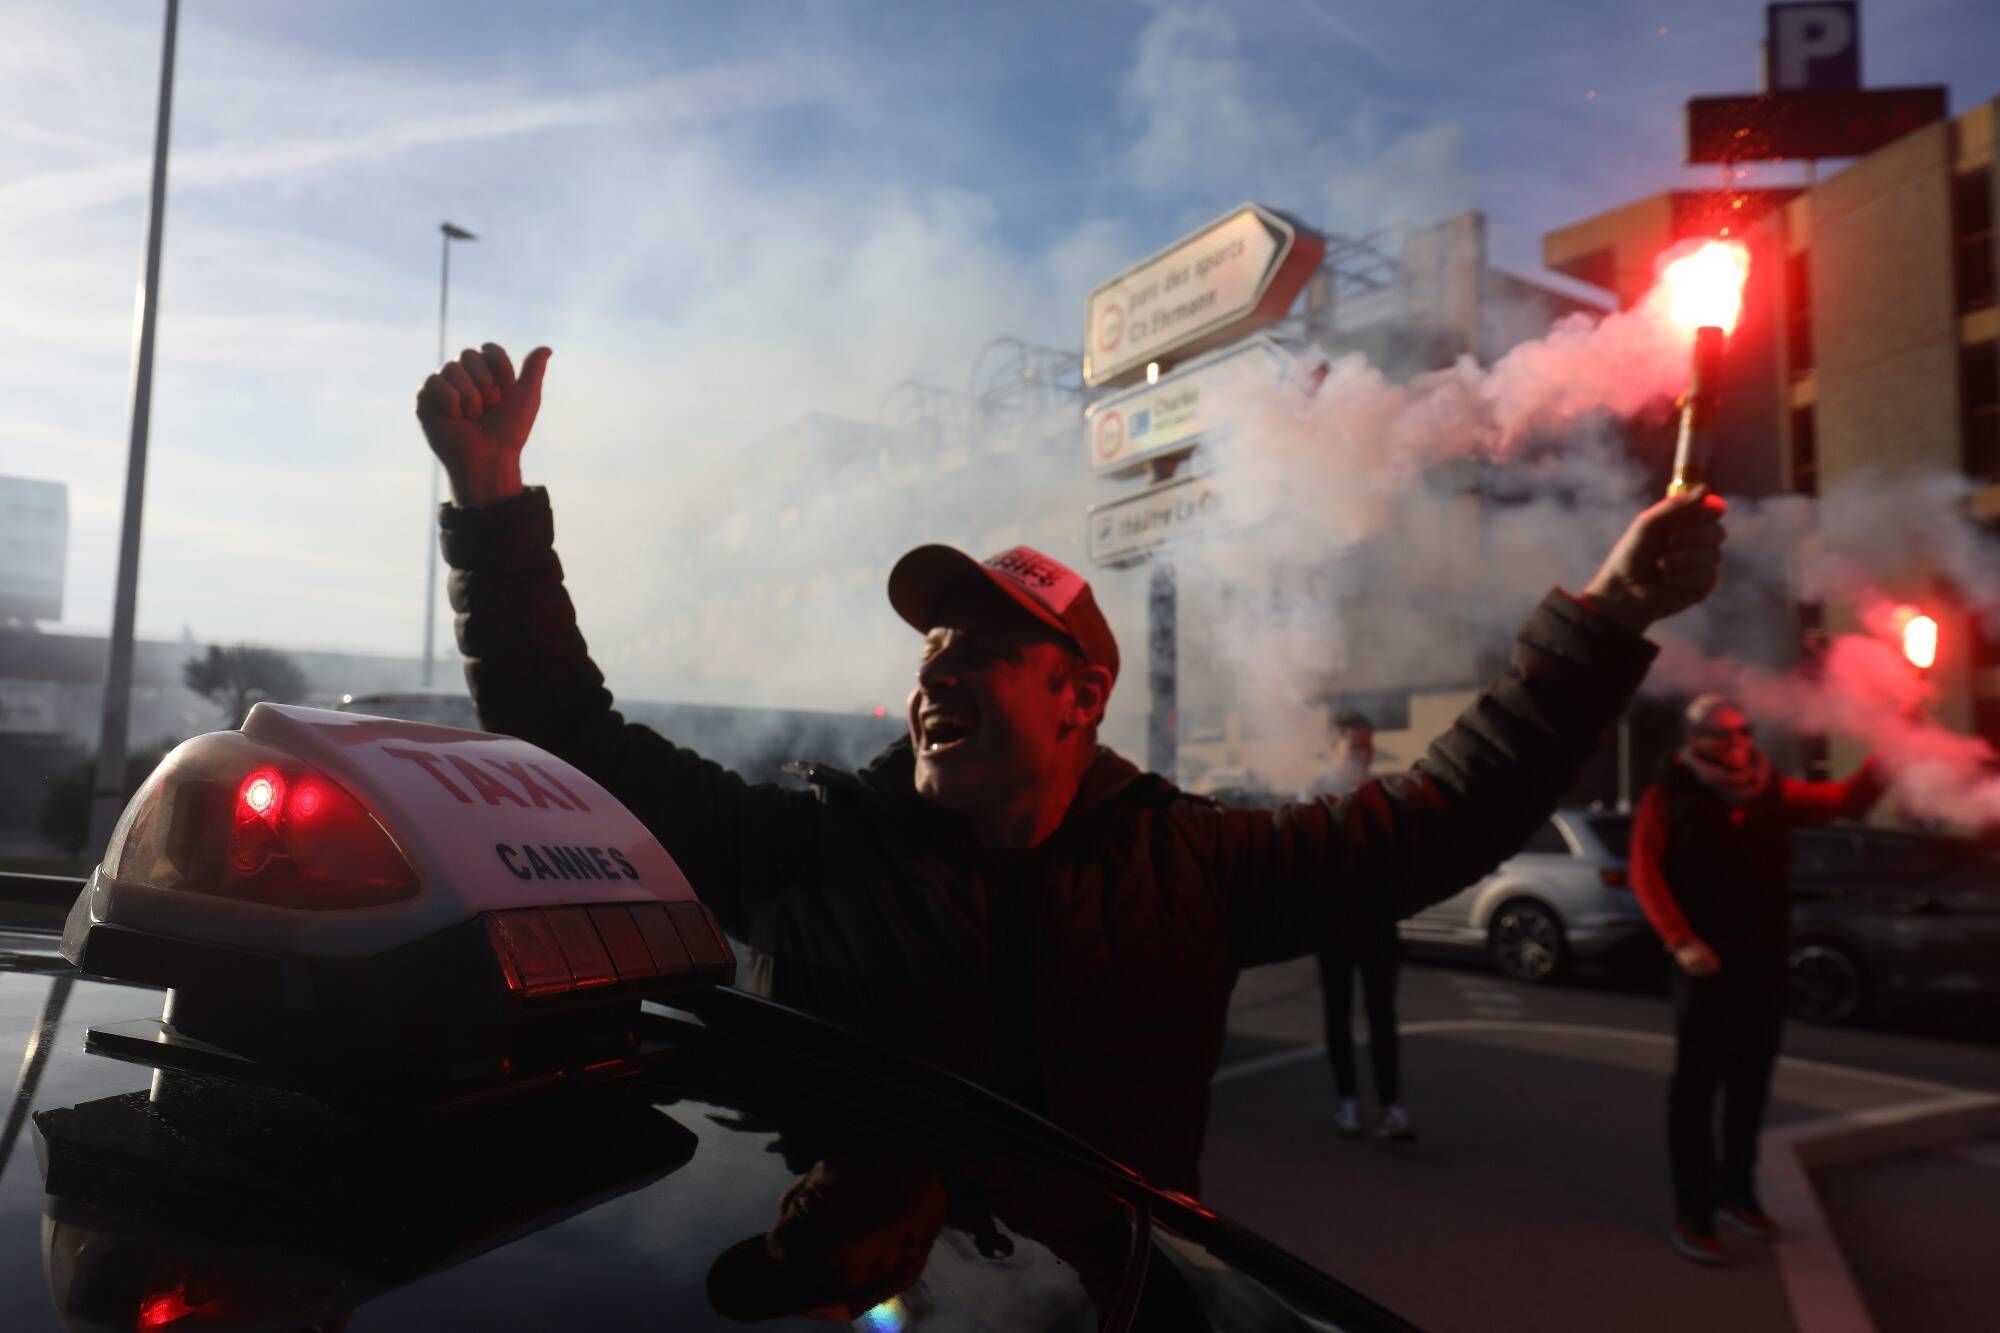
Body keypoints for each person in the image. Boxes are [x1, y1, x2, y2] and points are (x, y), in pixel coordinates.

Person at [416, 342, 1727, 1194]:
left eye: (979, 650)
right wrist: (490, 503)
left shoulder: (1192, 866)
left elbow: (1443, 817)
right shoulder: (806, 852)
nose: (934, 674)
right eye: (931, 649)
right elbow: (568, 738)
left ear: (1079, 698)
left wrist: (1604, 618)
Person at [1629, 695, 1885, 1266]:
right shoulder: (1666, 796)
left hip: (1762, 959)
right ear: (1696, 740)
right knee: (1697, 1088)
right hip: (1705, 963)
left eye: (1743, 731)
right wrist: (1680, 940)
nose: (1738, 742)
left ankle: (1736, 1191)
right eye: (1723, 735)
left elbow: (1846, 799)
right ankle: (1692, 1208)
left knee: (1751, 1081)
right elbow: (1645, 875)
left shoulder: (1771, 788)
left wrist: (1892, 749)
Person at [1302, 711, 1410, 1141]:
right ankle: (1347, 1100)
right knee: (1338, 1014)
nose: (1362, 754)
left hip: (1380, 924)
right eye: (1354, 746)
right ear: (1334, 748)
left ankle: (1390, 1105)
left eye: (1367, 745)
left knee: (1382, 1016)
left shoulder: (1385, 792)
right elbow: (1306, 858)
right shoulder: (1316, 794)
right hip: (1334, 926)